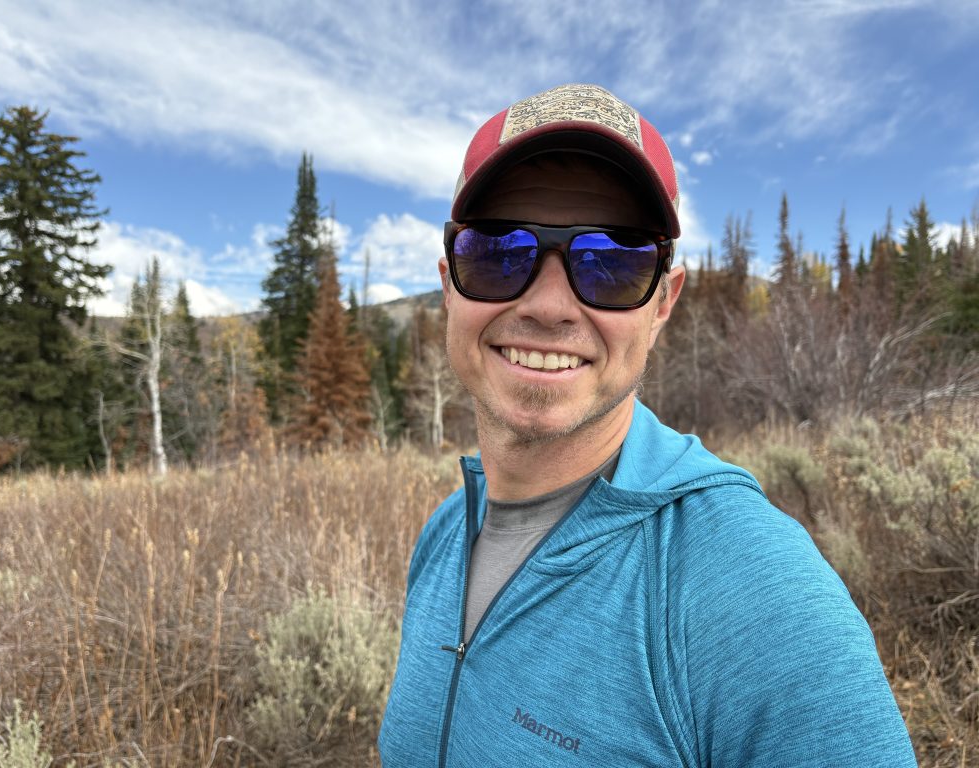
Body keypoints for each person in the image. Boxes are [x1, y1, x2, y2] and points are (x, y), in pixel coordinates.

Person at [378, 84, 916, 767]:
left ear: (664, 301)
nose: (549, 306)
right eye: (499, 253)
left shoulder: (759, 595)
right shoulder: (445, 533)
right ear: (449, 284)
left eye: (613, 262)